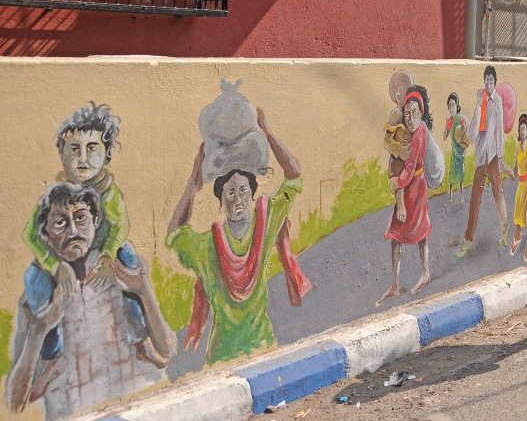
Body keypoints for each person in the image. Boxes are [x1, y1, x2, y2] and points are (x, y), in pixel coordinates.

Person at [6, 183, 175, 420]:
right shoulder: (40, 293)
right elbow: (15, 403)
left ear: (96, 222)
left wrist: (143, 290)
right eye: (60, 222)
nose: (73, 230)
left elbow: (167, 349)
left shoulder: (120, 271)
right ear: (45, 234)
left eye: (81, 218)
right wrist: (40, 329)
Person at [166, 107, 310, 364]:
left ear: (253, 196)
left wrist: (268, 132)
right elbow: (175, 232)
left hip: (259, 347)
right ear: (221, 200)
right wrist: (194, 178)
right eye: (230, 194)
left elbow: (294, 175)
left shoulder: (264, 225)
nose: (238, 200)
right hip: (227, 355)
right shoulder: (207, 245)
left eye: (243, 191)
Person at [21, 103, 155, 364]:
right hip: (63, 254)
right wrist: (55, 265)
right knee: (33, 277)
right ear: (62, 154)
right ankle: (51, 352)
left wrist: (106, 255)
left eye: (92, 148)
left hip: (98, 252)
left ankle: (140, 337)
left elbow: (119, 227)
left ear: (106, 155)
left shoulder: (110, 193)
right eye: (74, 149)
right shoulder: (56, 193)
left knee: (128, 256)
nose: (82, 158)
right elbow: (31, 235)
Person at [378, 85, 434, 305]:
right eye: (407, 113)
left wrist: (396, 183)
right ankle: (395, 283)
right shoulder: (410, 131)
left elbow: (410, 167)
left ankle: (425, 272)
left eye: (414, 113)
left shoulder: (420, 133)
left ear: (421, 113)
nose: (410, 117)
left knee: (419, 232)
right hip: (409, 186)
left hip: (416, 187)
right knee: (396, 235)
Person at [456, 66, 512, 258]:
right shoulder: (481, 102)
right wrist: (478, 105)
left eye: (491, 79)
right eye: (486, 79)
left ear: (495, 82)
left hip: (494, 156)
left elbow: (499, 133)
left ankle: (504, 231)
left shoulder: (498, 101)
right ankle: (469, 239)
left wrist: (501, 157)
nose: (488, 83)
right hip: (481, 157)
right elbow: (472, 135)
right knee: (475, 199)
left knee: (498, 194)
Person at [384, 71, 415, 222]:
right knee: (399, 179)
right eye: (407, 92)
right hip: (397, 160)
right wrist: (399, 150)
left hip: (409, 157)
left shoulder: (410, 113)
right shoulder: (396, 114)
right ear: (398, 96)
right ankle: (401, 205)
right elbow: (386, 141)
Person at [510, 114, 527, 261]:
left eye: (524, 129)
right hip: (521, 184)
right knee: (517, 213)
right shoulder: (517, 146)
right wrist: (504, 168)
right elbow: (515, 171)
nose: (522, 132)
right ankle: (517, 236)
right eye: (520, 130)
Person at [443, 92, 469, 202]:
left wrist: (463, 133)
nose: (451, 108)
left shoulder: (461, 118)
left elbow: (467, 130)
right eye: (449, 106)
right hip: (454, 152)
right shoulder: (449, 121)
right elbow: (444, 136)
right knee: (452, 174)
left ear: (457, 105)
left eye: (453, 104)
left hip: (461, 151)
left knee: (461, 174)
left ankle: (462, 196)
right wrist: (446, 127)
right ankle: (451, 196)